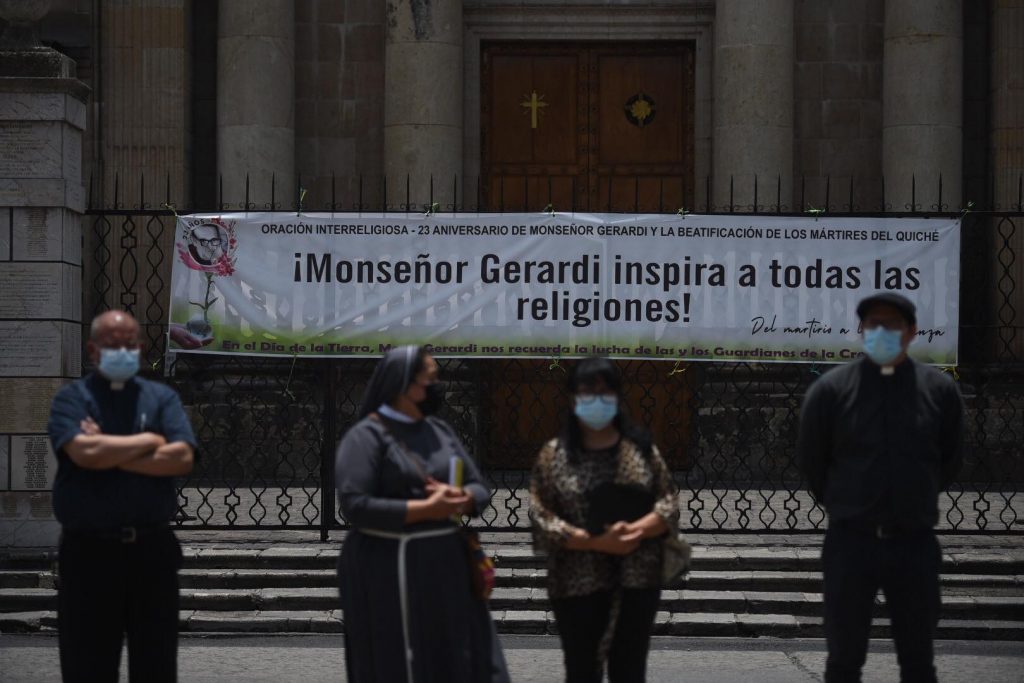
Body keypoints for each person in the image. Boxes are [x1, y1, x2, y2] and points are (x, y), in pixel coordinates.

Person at [798, 292, 965, 683]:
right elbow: (813, 462)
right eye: (872, 325)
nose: (881, 332)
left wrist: (911, 496)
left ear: (911, 332)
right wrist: (851, 502)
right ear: (861, 331)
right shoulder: (831, 391)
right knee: (843, 660)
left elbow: (950, 460)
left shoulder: (938, 391)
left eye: (891, 325)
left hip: (913, 543)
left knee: (918, 661)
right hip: (851, 542)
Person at [335, 345, 510, 683]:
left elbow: (479, 488)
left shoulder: (439, 431)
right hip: (389, 565)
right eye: (429, 379)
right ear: (401, 384)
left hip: (446, 566)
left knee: (459, 656)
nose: (437, 387)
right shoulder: (366, 437)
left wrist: (459, 498)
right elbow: (355, 505)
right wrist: (425, 509)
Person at [46, 310, 196, 683]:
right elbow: (83, 454)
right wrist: (148, 441)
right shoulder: (72, 399)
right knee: (87, 667)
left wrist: (106, 452)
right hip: (88, 555)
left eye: (129, 345)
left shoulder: (160, 398)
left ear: (141, 349)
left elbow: (181, 458)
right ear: (93, 350)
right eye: (112, 345)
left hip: (151, 553)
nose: (121, 352)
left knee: (156, 666)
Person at [530, 356, 680, 683]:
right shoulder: (553, 455)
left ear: (618, 397)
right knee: (582, 669)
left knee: (629, 670)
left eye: (606, 392)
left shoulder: (641, 450)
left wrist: (634, 531)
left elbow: (668, 502)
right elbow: (542, 517)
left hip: (637, 580)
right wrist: (597, 542)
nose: (597, 400)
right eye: (588, 392)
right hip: (576, 582)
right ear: (572, 399)